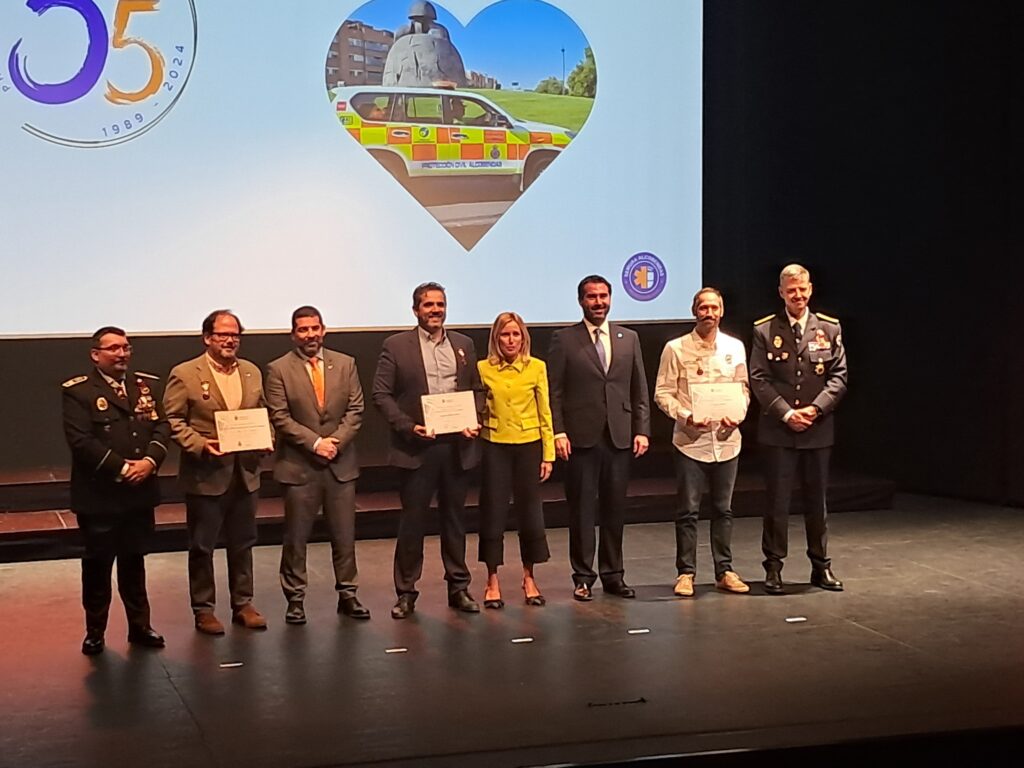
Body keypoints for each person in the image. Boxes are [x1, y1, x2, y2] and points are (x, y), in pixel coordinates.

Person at [372, 283, 484, 618]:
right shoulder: (395, 346)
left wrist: (474, 418)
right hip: (417, 447)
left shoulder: (463, 344)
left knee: (455, 521)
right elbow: (381, 394)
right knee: (413, 523)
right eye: (428, 305)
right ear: (416, 310)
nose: (435, 310)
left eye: (440, 304)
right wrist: (408, 427)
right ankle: (406, 592)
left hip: (457, 446)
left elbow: (476, 389)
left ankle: (459, 587)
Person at [62, 327, 169, 655]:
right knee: (97, 564)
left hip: (139, 493)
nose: (122, 354)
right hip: (100, 496)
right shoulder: (78, 392)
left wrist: (150, 461)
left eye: (126, 348)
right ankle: (95, 630)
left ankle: (140, 626)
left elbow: (162, 425)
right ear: (96, 355)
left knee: (134, 561)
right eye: (113, 349)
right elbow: (81, 441)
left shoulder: (145, 385)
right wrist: (123, 468)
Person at [163, 310, 269, 633]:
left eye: (235, 334)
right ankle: (203, 609)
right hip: (206, 474)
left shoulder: (250, 372)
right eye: (223, 334)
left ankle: (243, 603)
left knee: (244, 542)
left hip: (245, 472)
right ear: (207, 337)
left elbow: (262, 411)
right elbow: (172, 420)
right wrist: (199, 444)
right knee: (202, 545)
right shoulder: (185, 373)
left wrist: (268, 439)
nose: (230, 340)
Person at [548, 275, 651, 601]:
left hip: (619, 436)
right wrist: (558, 431)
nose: (598, 302)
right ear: (581, 301)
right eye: (592, 297)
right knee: (581, 511)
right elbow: (555, 391)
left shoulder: (628, 338)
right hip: (580, 439)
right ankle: (582, 577)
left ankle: (613, 575)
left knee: (615, 510)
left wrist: (642, 430)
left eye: (603, 296)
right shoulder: (564, 339)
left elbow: (639, 389)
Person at [265, 306, 368, 625]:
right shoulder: (278, 368)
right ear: (293, 334)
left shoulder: (346, 363)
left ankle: (348, 594)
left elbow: (356, 409)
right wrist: (315, 443)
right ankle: (295, 599)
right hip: (300, 466)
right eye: (302, 329)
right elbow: (279, 416)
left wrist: (335, 441)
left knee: (344, 535)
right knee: (296, 538)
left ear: (323, 330)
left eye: (314, 328)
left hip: (340, 463)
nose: (309, 334)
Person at [750, 264, 848, 594]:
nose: (799, 295)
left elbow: (839, 377)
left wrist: (815, 408)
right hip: (779, 430)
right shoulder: (765, 330)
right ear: (781, 292)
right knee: (777, 502)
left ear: (811, 289)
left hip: (817, 429)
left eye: (803, 289)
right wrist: (785, 412)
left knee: (816, 501)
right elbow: (759, 378)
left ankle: (821, 566)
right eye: (792, 290)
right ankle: (774, 567)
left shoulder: (829, 329)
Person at [654, 288, 750, 598]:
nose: (709, 313)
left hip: (726, 441)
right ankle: (686, 573)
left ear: (722, 311)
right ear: (694, 311)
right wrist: (684, 415)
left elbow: (744, 389)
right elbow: (662, 393)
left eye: (714, 307)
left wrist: (738, 414)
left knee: (724, 510)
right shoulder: (676, 348)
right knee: (688, 511)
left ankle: (724, 571)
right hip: (690, 441)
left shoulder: (735, 348)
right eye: (703, 307)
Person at [477, 312, 554, 608]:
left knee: (530, 514)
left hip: (529, 446)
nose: (510, 340)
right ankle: (492, 580)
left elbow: (545, 412)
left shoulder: (536, 367)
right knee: (493, 514)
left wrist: (548, 454)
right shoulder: (483, 368)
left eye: (516, 335)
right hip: (494, 445)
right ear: (496, 339)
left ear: (524, 338)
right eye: (505, 335)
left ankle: (529, 577)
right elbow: (476, 406)